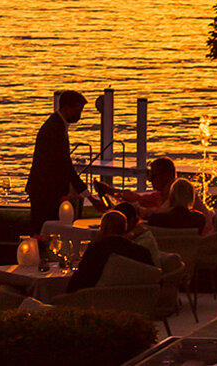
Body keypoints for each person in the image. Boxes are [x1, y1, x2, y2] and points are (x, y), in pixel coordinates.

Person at [26, 90, 87, 234]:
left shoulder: (56, 125)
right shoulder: (54, 129)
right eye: (77, 111)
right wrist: (83, 190)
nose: (79, 116)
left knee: (42, 229)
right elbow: (64, 163)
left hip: (45, 189)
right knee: (43, 230)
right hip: (45, 191)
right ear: (66, 108)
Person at [65, 209, 152, 294]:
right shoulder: (141, 252)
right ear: (125, 229)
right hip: (136, 300)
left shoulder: (96, 252)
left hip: (98, 302)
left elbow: (78, 283)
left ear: (103, 229)